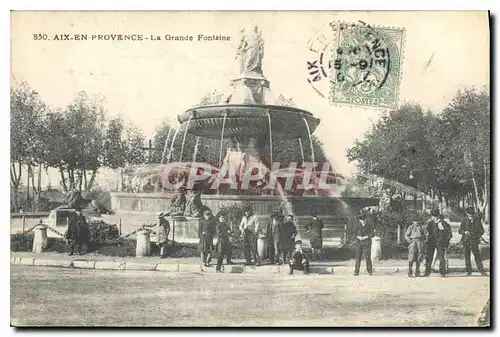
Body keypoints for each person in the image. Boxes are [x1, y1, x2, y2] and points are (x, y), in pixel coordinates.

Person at [458, 207, 487, 276]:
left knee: (477, 255)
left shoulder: (477, 221)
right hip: (466, 241)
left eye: (472, 214)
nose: (471, 216)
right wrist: (464, 232)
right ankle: (469, 271)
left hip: (474, 241)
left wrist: (476, 236)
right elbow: (460, 230)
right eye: (469, 214)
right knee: (467, 256)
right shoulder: (464, 221)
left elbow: (482, 231)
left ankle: (481, 271)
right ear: (467, 214)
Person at [424, 209, 452, 277]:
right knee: (429, 257)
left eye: (435, 216)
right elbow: (426, 232)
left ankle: (442, 272)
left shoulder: (443, 223)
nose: (434, 217)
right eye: (433, 216)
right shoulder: (430, 223)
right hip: (431, 242)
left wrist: (445, 240)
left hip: (440, 242)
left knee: (441, 257)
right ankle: (427, 271)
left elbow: (449, 233)